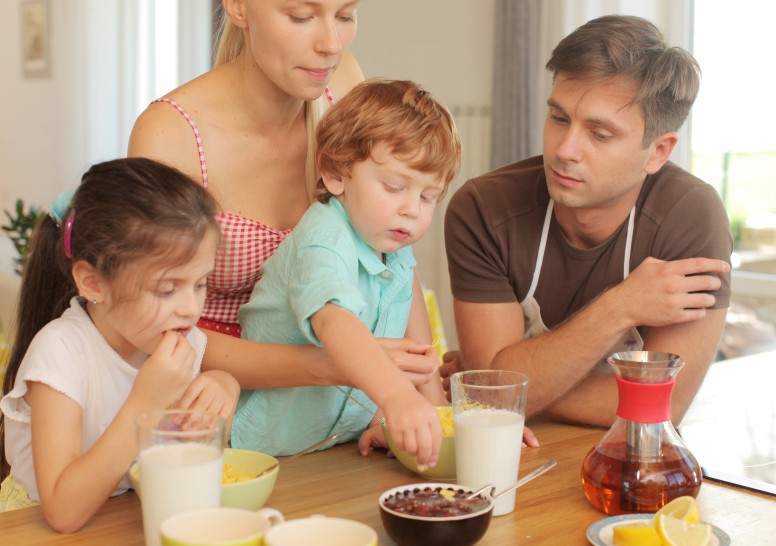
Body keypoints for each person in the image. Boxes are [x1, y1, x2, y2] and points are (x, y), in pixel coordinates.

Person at [127, 1, 441, 404]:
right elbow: (154, 329)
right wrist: (334, 364)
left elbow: (391, 252)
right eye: (300, 17)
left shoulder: (343, 83)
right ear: (239, 8)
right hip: (209, 401)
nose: (331, 44)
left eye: (345, 16)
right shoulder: (171, 135)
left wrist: (438, 410)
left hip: (337, 400)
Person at [443, 15, 733, 428]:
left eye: (600, 134)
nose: (565, 150)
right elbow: (493, 391)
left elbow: (661, 408)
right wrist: (622, 305)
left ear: (658, 151)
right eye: (559, 118)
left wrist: (509, 388)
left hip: (634, 460)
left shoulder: (690, 217)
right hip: (518, 449)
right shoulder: (483, 209)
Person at [0, 158, 240, 533]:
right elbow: (63, 512)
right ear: (94, 284)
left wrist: (219, 396)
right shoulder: (60, 353)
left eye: (200, 283)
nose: (192, 309)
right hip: (31, 527)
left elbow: (178, 463)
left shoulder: (178, 339)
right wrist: (145, 401)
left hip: (125, 520)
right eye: (166, 289)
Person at [236, 79, 461, 467]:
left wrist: (444, 421)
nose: (412, 209)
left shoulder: (393, 243)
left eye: (428, 197)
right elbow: (335, 323)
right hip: (266, 450)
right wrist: (397, 398)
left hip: (339, 446)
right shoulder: (323, 238)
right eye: (394, 187)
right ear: (336, 174)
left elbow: (419, 352)